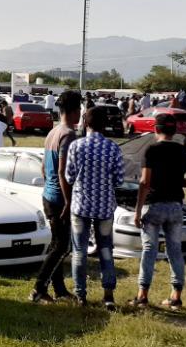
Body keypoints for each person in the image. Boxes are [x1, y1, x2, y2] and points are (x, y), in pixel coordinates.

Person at [129, 113, 186, 310]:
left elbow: (144, 181)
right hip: (176, 206)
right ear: (174, 130)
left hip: (155, 205)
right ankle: (176, 296)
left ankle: (142, 295)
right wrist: (176, 181)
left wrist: (137, 211)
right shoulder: (184, 151)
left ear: (155, 129)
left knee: (150, 249)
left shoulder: (151, 150)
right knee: (175, 250)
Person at [65, 106, 123, 308]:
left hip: (80, 206)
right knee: (106, 250)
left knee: (79, 251)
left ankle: (81, 295)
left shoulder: (76, 146)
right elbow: (119, 179)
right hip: (105, 207)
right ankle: (108, 295)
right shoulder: (113, 147)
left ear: (86, 123)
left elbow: (69, 176)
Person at [29, 90, 81, 304]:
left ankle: (59, 289)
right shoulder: (68, 134)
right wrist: (68, 200)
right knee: (61, 246)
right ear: (74, 110)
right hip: (60, 198)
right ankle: (39, 288)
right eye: (79, 110)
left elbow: (43, 168)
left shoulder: (53, 132)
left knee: (57, 244)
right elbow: (62, 171)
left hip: (48, 194)